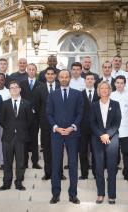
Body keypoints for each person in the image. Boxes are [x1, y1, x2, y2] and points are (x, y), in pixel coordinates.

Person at [46, 70, 83, 204]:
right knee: (56, 164)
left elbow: (80, 113)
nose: (64, 79)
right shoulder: (52, 94)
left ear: (70, 78)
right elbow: (48, 114)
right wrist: (56, 127)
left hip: (72, 134)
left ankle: (73, 194)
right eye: (61, 76)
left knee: (73, 165)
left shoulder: (77, 94)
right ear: (58, 78)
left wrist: (72, 127)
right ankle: (55, 194)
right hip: (57, 134)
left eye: (66, 76)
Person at [90, 81, 121, 204]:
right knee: (98, 168)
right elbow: (91, 123)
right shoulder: (93, 105)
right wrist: (101, 135)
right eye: (101, 88)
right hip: (97, 139)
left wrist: (108, 134)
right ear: (98, 90)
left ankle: (112, 195)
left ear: (109, 90)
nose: (103, 90)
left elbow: (117, 122)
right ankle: (100, 194)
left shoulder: (115, 104)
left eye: (106, 88)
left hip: (112, 139)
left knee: (112, 168)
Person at [0, 80, 33, 191]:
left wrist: (20, 129)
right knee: (7, 162)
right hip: (7, 137)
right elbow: (1, 120)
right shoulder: (4, 104)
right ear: (9, 90)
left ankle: (19, 183)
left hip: (21, 138)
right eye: (11, 87)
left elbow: (30, 121)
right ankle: (6, 183)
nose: (14, 89)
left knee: (21, 162)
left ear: (20, 89)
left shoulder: (27, 104)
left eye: (16, 87)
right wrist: (11, 129)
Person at [35, 67, 67, 180]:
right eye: (47, 74)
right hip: (45, 125)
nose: (50, 76)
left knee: (59, 149)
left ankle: (59, 172)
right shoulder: (39, 89)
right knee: (47, 149)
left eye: (52, 74)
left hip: (60, 125)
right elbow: (38, 108)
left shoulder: (61, 87)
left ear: (55, 76)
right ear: (45, 75)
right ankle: (48, 172)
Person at [110, 75, 128, 181]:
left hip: (126, 130)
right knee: (113, 154)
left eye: (122, 83)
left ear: (125, 84)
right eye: (118, 83)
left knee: (127, 153)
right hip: (113, 130)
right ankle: (112, 174)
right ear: (115, 84)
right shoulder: (110, 95)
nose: (119, 85)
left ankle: (127, 174)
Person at [20, 63, 42, 169]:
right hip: (24, 116)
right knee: (24, 139)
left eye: (33, 69)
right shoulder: (22, 83)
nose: (31, 71)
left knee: (34, 140)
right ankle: (24, 162)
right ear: (27, 71)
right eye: (30, 69)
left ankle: (35, 162)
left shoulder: (41, 84)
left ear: (36, 71)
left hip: (36, 117)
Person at [79, 72, 99, 180]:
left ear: (95, 81)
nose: (90, 80)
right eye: (88, 79)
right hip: (82, 128)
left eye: (92, 79)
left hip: (96, 129)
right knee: (83, 152)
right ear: (85, 81)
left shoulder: (100, 94)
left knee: (95, 152)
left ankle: (96, 173)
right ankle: (84, 174)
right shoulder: (79, 94)